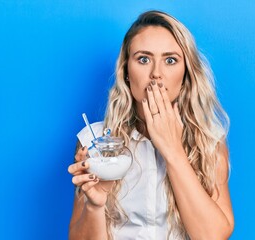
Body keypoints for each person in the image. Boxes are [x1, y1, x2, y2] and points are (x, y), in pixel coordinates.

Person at [68, 10, 234, 240]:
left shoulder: (208, 141)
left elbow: (212, 235)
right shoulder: (94, 142)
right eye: (143, 59)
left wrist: (172, 149)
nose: (156, 74)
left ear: (185, 74)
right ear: (126, 71)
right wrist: (95, 207)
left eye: (170, 60)